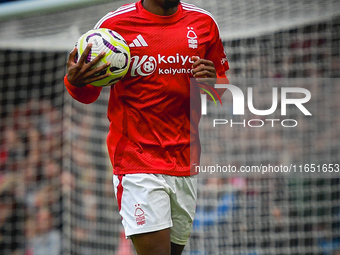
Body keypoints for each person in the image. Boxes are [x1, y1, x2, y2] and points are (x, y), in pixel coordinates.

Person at [64, 0, 229, 254]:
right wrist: (74, 82)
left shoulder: (204, 23)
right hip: (137, 162)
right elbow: (88, 95)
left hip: (185, 161)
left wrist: (212, 83)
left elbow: (220, 90)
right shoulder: (113, 26)